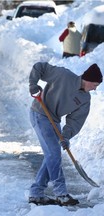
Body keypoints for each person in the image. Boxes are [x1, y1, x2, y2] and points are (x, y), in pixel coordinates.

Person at [28, 62, 102, 206]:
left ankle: (36, 193)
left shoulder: (85, 99)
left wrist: (65, 136)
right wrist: (33, 83)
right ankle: (61, 193)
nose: (94, 89)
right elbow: (39, 67)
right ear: (87, 80)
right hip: (40, 113)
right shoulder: (63, 75)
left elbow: (75, 121)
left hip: (54, 120)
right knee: (53, 154)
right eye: (94, 85)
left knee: (52, 155)